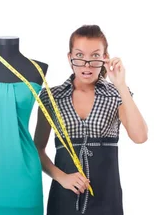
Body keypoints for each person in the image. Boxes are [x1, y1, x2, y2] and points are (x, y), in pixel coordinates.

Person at [33, 24, 148, 215]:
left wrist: (121, 85)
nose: (87, 65)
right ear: (70, 58)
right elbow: (37, 149)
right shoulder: (50, 98)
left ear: (105, 58)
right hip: (64, 198)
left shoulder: (116, 95)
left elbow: (140, 136)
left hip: (107, 199)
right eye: (79, 56)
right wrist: (62, 178)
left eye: (95, 56)